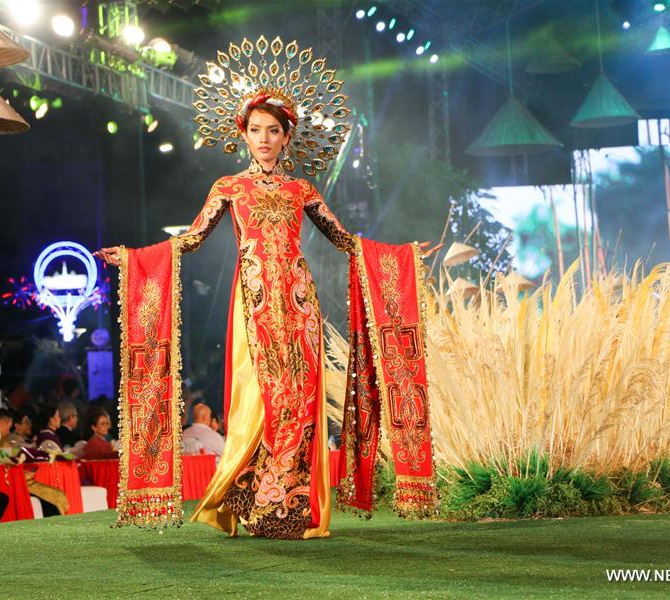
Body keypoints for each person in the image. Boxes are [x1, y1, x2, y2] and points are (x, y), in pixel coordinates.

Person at [96, 36, 439, 539]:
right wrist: (133, 256)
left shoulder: (303, 190)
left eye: (273, 131)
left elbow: (345, 240)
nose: (263, 138)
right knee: (261, 400)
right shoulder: (228, 188)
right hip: (253, 301)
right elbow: (189, 241)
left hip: (299, 302)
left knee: (301, 399)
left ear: (286, 138)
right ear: (244, 134)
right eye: (255, 130)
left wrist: (401, 256)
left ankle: (295, 508)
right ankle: (255, 498)